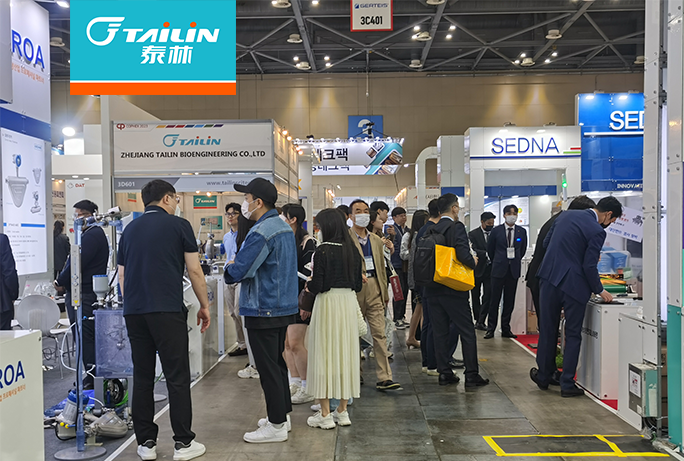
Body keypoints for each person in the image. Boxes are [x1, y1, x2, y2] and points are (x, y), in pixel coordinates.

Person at [118, 180, 210, 461]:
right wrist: (204, 305)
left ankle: (146, 443)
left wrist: (133, 304)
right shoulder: (179, 226)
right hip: (167, 310)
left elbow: (122, 275)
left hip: (135, 311)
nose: (177, 203)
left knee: (143, 376)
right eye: (176, 199)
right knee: (176, 376)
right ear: (167, 199)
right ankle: (183, 443)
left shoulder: (129, 229)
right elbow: (194, 270)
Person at [224, 178, 299, 444]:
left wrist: (230, 267)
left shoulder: (262, 231)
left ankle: (276, 425)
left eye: (246, 199)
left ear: (258, 202)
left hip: (262, 307)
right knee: (276, 364)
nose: (244, 204)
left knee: (268, 368)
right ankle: (282, 417)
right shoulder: (282, 226)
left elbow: (241, 269)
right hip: (280, 306)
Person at [531, 197, 622, 398]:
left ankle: (544, 377)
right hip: (574, 286)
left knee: (547, 330)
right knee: (572, 334)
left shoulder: (564, 216)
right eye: (612, 221)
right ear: (608, 214)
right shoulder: (597, 231)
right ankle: (567, 384)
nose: (609, 224)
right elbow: (589, 265)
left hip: (549, 278)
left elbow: (546, 243)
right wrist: (600, 290)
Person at [304, 208, 363, 429]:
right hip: (347, 304)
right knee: (346, 355)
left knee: (323, 356)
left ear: (326, 227)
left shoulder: (322, 250)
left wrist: (309, 283)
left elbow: (319, 285)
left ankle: (325, 414)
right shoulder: (352, 250)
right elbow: (357, 284)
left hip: (327, 304)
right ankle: (343, 412)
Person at [422, 194, 489, 387]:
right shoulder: (456, 227)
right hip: (453, 289)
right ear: (454, 208)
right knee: (467, 331)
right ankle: (471, 374)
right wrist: (473, 261)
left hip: (432, 288)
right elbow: (463, 254)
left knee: (440, 332)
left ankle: (444, 373)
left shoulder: (431, 228)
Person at [55, 200, 109, 390]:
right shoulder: (89, 235)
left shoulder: (92, 235)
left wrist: (60, 281)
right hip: (84, 292)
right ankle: (91, 376)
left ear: (90, 215)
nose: (76, 218)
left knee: (85, 337)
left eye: (79, 214)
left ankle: (92, 378)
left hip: (84, 294)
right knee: (84, 337)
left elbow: (76, 263)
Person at [349, 199, 401, 391]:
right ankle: (355, 373)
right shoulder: (345, 239)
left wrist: (384, 292)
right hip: (354, 290)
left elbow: (381, 267)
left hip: (375, 288)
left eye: (365, 210)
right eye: (357, 211)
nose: (362, 214)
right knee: (354, 333)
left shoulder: (377, 240)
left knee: (379, 333)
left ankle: (384, 377)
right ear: (351, 216)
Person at [526, 196, 596, 330]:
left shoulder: (560, 220)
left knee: (548, 327)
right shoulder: (563, 223)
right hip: (546, 277)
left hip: (545, 276)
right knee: (548, 327)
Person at [281, 203, 316, 405]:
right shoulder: (286, 238)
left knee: (296, 343)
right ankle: (293, 381)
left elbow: (308, 274)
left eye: (284, 216)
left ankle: (307, 385)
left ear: (293, 219)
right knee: (286, 344)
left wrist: (305, 303)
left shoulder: (307, 242)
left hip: (299, 299)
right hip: (284, 298)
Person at [484, 204, 528, 340]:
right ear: (504, 215)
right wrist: (498, 260)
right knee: (494, 300)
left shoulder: (521, 231)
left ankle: (506, 328)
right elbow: (490, 249)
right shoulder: (496, 231)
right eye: (509, 213)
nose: (512, 216)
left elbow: (522, 249)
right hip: (498, 269)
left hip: (513, 270)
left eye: (514, 213)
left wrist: (514, 260)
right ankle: (491, 328)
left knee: (509, 301)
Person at [234, 213, 259, 380]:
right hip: (259, 295)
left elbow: (242, 269)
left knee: (250, 332)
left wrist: (232, 268)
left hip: (250, 292)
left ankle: (255, 365)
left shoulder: (250, 240)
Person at [401, 209, 429, 349]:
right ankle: (425, 340)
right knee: (424, 310)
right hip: (420, 279)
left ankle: (412, 337)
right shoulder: (419, 237)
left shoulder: (416, 236)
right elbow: (411, 259)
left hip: (415, 278)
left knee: (419, 309)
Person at [223, 203, 248, 357]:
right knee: (232, 312)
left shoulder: (246, 236)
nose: (230, 216)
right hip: (228, 276)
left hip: (240, 277)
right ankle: (242, 344)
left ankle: (248, 345)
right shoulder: (226, 237)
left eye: (234, 213)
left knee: (240, 311)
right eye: (228, 214)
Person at [470, 212, 496, 331]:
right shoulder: (473, 234)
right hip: (477, 269)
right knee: (475, 295)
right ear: (482, 222)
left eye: (492, 223)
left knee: (488, 295)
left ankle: (481, 320)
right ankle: (477, 318)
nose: (491, 225)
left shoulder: (495, 233)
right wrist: (485, 254)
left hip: (490, 270)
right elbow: (473, 249)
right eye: (489, 223)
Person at [390, 206, 409, 329]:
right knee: (399, 290)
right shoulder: (391, 230)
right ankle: (397, 318)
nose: (404, 217)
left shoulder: (407, 230)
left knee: (405, 290)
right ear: (394, 218)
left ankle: (402, 316)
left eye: (404, 215)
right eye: (401, 216)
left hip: (405, 265)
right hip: (396, 264)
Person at [0, 233, 19, 330]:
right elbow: (9, 272)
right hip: (2, 304)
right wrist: (13, 295)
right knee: (4, 337)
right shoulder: (1, 240)